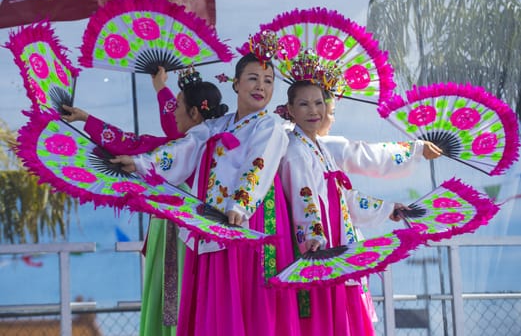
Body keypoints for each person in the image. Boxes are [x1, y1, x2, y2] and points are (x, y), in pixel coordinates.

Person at [113, 53, 301, 336]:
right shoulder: (216, 126)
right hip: (212, 225)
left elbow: (259, 163)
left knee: (247, 299)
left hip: (247, 221)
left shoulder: (269, 124)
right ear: (236, 84)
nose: (261, 86)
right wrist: (141, 163)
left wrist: (240, 204)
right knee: (215, 300)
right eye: (253, 78)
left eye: (268, 81)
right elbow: (184, 148)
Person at [62, 66, 228, 336]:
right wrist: (160, 87)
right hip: (199, 232)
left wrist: (138, 162)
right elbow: (145, 137)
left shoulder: (193, 142)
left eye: (179, 106)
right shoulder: (214, 136)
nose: (173, 111)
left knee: (175, 297)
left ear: (195, 113)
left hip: (179, 231)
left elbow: (137, 144)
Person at [279, 78, 419, 336]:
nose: (313, 111)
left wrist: (387, 207)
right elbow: (304, 198)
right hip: (320, 247)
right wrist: (313, 237)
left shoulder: (320, 147)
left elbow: (343, 197)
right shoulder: (296, 151)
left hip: (336, 241)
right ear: (289, 109)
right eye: (304, 104)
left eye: (319, 103)